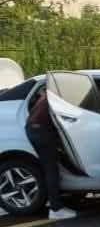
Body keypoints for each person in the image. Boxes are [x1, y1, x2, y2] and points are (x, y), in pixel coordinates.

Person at [24, 85, 77, 220]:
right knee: (51, 169)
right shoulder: (58, 97)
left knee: (49, 168)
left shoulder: (48, 94)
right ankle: (55, 209)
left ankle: (53, 202)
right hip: (41, 131)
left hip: (33, 129)